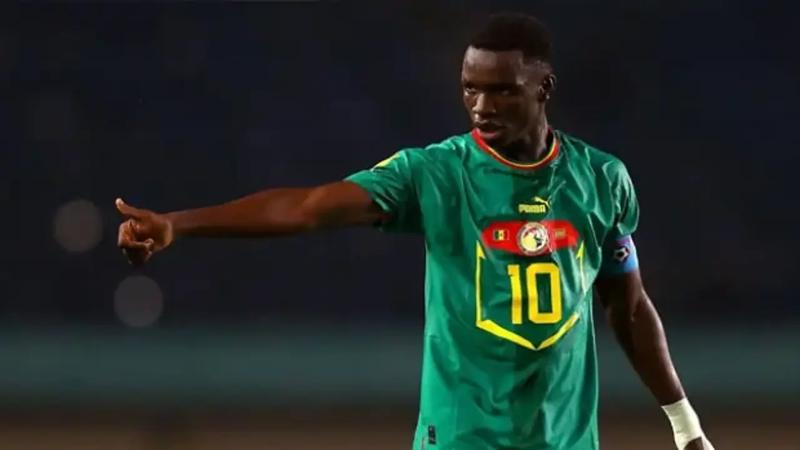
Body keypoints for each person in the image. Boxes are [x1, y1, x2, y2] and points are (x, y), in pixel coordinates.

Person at [116, 12, 714, 450]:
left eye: (501, 90)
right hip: (460, 437)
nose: (481, 106)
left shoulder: (602, 179)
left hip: (566, 440)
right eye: (470, 88)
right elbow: (307, 207)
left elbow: (628, 307)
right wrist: (179, 225)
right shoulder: (434, 173)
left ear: (543, 89)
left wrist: (684, 424)